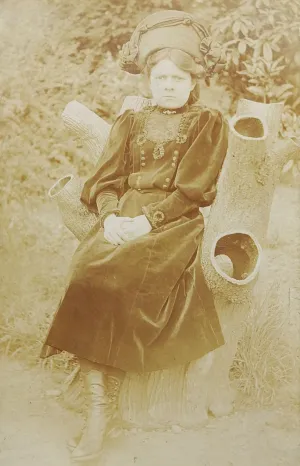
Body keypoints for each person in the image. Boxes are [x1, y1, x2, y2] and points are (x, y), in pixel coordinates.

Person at [40, 10, 228, 464]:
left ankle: (105, 409)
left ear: (192, 81)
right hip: (122, 216)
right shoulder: (130, 121)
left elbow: (194, 192)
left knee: (125, 275)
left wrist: (147, 223)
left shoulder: (208, 123)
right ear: (149, 79)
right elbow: (105, 181)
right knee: (87, 271)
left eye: (177, 77)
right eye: (161, 77)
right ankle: (99, 404)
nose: (168, 85)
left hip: (174, 223)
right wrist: (109, 218)